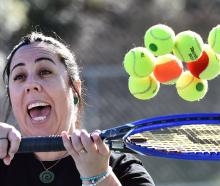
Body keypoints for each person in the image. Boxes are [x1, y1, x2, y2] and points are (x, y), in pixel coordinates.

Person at [0, 32, 155, 186]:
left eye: (45, 72)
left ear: (75, 90)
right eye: (19, 76)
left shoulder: (121, 167)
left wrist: (100, 177)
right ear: (11, 97)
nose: (30, 84)